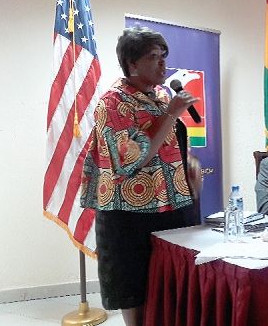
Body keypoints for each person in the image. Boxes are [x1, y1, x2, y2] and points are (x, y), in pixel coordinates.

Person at [80, 26, 202, 326]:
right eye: (153, 57)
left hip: (169, 208)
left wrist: (187, 167)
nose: (163, 64)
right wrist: (172, 114)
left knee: (170, 286)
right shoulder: (113, 103)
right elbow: (131, 159)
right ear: (132, 64)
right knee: (134, 290)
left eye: (164, 56)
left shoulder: (160, 97)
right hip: (129, 214)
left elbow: (165, 144)